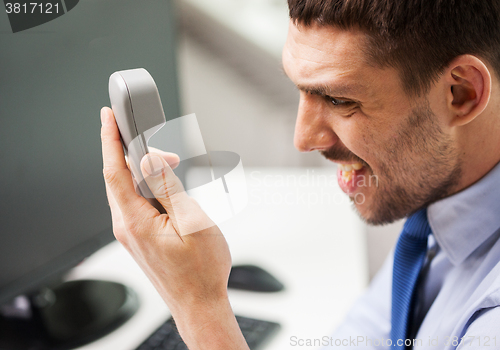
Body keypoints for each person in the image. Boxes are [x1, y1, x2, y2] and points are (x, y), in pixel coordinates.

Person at [100, 0, 500, 349]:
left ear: (461, 93)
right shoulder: (441, 201)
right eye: (302, 90)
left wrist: (199, 309)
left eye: (340, 99)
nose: (303, 139)